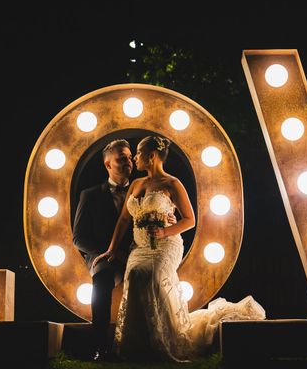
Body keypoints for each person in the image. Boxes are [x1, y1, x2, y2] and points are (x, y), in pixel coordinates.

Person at [93, 136, 265, 361]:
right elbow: (125, 220)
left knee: (150, 274)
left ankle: (162, 338)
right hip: (139, 248)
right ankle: (136, 343)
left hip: (166, 246)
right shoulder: (136, 184)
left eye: (138, 153)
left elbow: (190, 220)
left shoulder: (172, 184)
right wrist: (112, 249)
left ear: (151, 156)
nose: (135, 158)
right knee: (134, 273)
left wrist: (164, 232)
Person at [73, 138, 176, 361]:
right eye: (122, 159)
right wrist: (110, 252)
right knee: (101, 281)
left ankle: (150, 343)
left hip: (141, 252)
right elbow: (79, 238)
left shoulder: (143, 186)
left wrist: (168, 217)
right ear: (108, 164)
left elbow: (164, 209)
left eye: (130, 157)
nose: (129, 162)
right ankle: (101, 347)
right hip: (106, 257)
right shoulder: (89, 195)